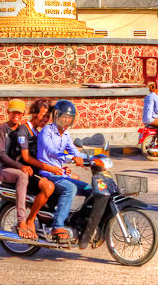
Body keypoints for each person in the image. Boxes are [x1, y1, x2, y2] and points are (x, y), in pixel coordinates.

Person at [36, 100, 90, 242]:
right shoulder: (47, 131)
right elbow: (52, 152)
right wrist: (71, 158)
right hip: (48, 173)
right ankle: (57, 225)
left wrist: (94, 158)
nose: (66, 121)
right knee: (70, 188)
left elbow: (75, 152)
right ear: (56, 116)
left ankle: (81, 222)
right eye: (63, 117)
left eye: (69, 118)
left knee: (89, 188)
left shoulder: (66, 135)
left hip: (61, 173)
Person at [7, 99, 56, 240]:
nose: (46, 120)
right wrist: (50, 168)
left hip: (37, 171)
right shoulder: (24, 130)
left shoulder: (38, 132)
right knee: (48, 187)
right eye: (43, 116)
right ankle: (30, 220)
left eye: (48, 117)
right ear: (34, 114)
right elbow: (26, 157)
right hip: (26, 171)